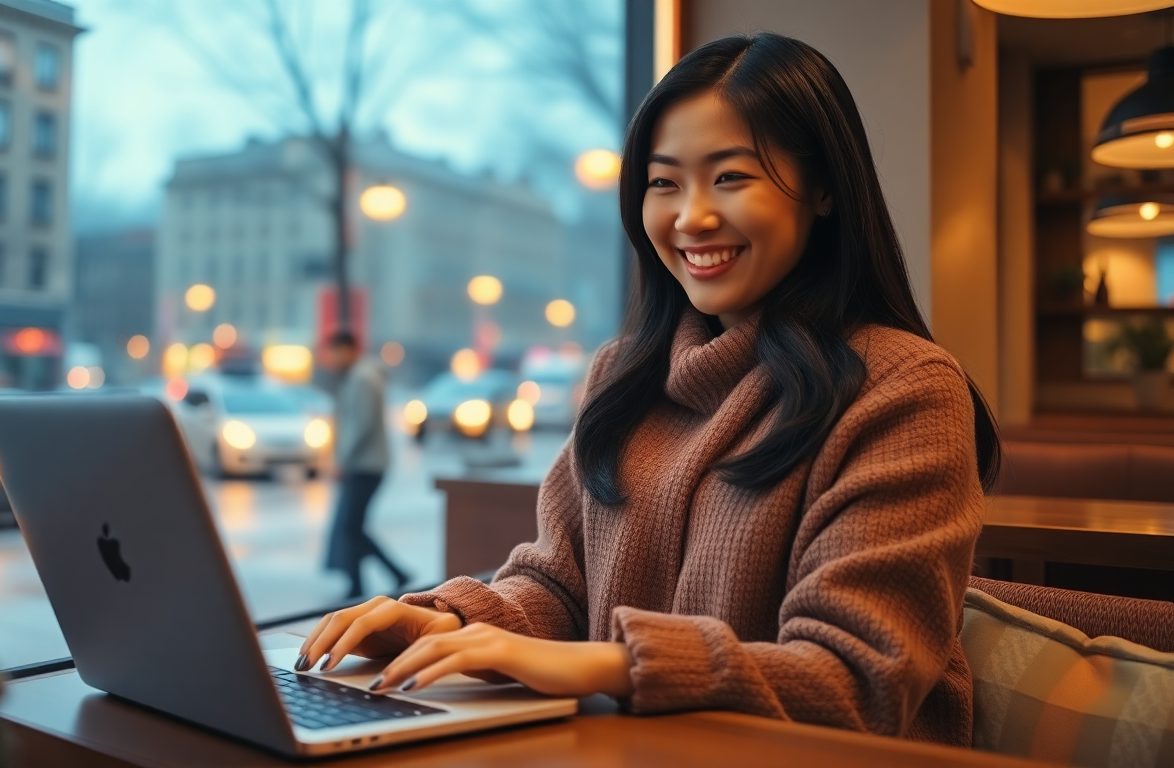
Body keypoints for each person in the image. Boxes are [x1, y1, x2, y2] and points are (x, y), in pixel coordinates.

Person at [294, 33, 1000, 746]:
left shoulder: (904, 389)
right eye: (664, 183)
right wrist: (451, 619)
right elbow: (560, 588)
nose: (690, 217)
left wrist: (604, 665)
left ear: (823, 188)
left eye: (730, 177)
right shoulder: (625, 374)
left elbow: (855, 681)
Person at [322, 330, 409, 599]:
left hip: (365, 464)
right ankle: (363, 581)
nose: (332, 359)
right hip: (365, 464)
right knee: (353, 526)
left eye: (334, 351)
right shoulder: (361, 376)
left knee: (351, 526)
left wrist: (341, 460)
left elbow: (361, 425)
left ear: (348, 349)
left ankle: (392, 574)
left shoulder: (362, 378)